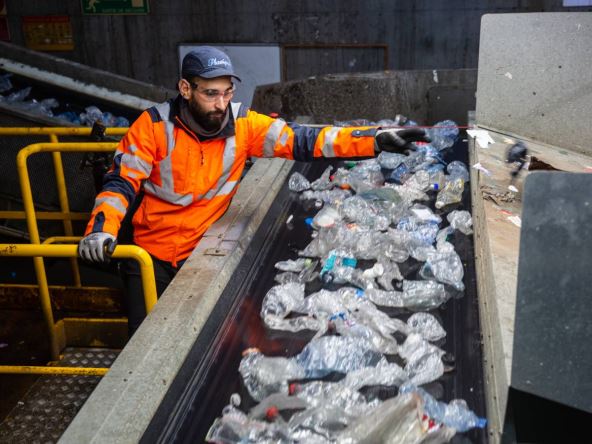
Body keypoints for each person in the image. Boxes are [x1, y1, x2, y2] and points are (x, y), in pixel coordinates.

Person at [78, 46, 429, 335]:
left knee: (205, 336)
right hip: (150, 255)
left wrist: (374, 140)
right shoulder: (153, 127)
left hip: (202, 251)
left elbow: (304, 140)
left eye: (227, 92)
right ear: (185, 89)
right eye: (210, 94)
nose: (220, 104)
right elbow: (120, 183)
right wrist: (101, 229)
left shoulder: (243, 124)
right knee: (145, 343)